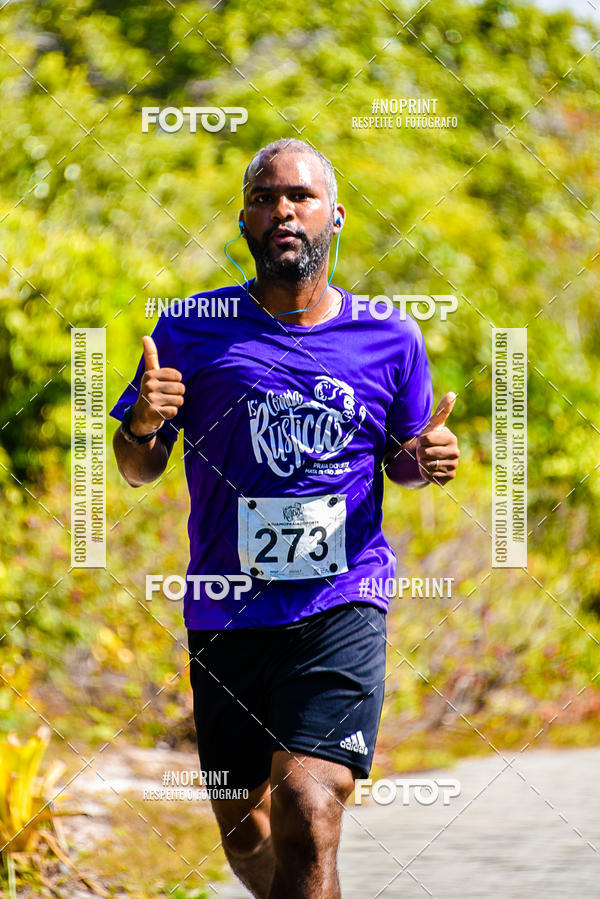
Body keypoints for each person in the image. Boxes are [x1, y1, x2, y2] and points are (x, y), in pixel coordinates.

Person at [110, 138, 459, 898]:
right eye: (265, 198)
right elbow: (138, 467)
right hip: (226, 609)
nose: (282, 211)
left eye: (299, 196)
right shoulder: (190, 328)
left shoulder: (390, 336)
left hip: (341, 599)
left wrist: (425, 457)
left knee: (309, 802)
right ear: (244, 220)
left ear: (334, 215)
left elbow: (401, 457)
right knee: (248, 835)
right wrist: (141, 423)